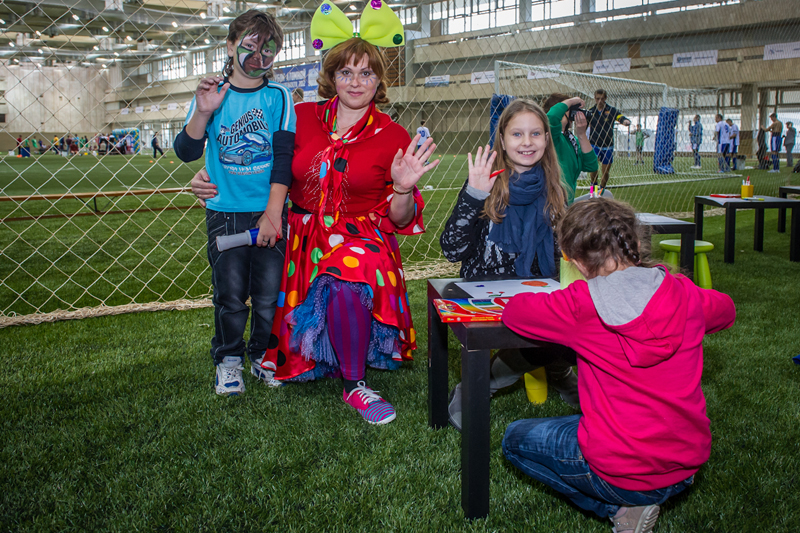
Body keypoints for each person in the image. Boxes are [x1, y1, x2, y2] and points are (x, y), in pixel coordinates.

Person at [193, 1, 436, 424]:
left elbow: (400, 219)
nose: (356, 82)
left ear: (379, 80)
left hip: (364, 238)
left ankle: (354, 385)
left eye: (367, 73)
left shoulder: (394, 134)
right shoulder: (301, 116)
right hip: (303, 238)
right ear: (332, 75)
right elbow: (253, 157)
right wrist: (208, 177)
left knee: (348, 271)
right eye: (346, 72)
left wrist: (402, 187)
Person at [501, 197, 736, 533]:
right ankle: (636, 503)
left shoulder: (580, 305)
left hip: (621, 471)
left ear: (576, 260)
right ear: (636, 243)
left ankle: (619, 508)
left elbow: (515, 313)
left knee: (514, 440)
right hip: (686, 463)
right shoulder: (684, 293)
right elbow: (725, 310)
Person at [175, 9, 295, 396]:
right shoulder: (212, 95)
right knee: (229, 294)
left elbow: (283, 159)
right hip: (224, 213)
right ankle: (228, 360)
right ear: (230, 46)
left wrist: (273, 214)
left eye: (268, 49)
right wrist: (203, 111)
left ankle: (261, 355)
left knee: (268, 294)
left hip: (269, 212)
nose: (259, 57)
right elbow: (186, 151)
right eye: (250, 46)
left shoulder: (278, 96)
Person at [440, 99, 578, 431]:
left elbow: (559, 256)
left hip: (535, 289)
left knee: (583, 312)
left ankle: (558, 367)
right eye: (517, 134)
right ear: (501, 140)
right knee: (549, 330)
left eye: (535, 133)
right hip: (486, 289)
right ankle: (478, 386)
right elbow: (452, 249)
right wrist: (473, 195)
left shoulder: (555, 189)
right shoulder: (485, 183)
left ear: (547, 138)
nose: (527, 142)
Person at [585, 89, 630, 191]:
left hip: (608, 145)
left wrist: (625, 121)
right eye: (597, 99)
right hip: (594, 144)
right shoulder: (591, 111)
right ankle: (593, 190)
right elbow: (584, 125)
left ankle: (602, 191)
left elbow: (619, 116)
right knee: (593, 169)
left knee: (605, 172)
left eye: (602, 99)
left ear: (605, 98)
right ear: (594, 98)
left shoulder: (611, 110)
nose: (600, 101)